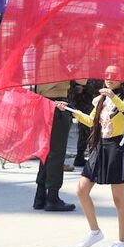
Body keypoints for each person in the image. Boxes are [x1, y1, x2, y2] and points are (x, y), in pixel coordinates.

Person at [72, 69, 124, 247]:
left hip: (116, 149)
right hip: (100, 148)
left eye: (114, 76)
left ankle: (121, 241)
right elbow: (91, 121)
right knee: (81, 189)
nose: (109, 79)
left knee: (118, 199)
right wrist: (73, 111)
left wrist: (113, 97)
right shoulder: (100, 99)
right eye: (107, 76)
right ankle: (95, 231)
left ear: (122, 79)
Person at [34, 81, 76, 212]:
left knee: (46, 152)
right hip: (58, 105)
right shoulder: (62, 67)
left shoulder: (41, 66)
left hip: (43, 103)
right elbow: (82, 81)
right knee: (56, 153)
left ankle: (40, 196)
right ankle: (52, 198)